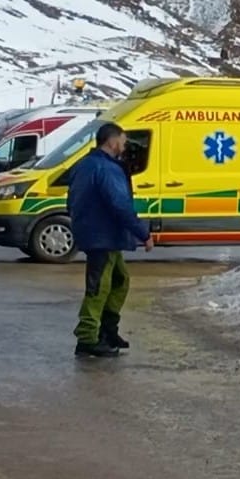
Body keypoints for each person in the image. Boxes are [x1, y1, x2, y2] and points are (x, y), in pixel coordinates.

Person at [68, 122, 152, 358]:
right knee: (99, 287)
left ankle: (107, 330)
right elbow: (120, 205)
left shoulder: (84, 165)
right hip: (102, 236)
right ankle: (88, 338)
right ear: (112, 141)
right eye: (123, 142)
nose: (125, 147)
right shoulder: (106, 169)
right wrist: (143, 233)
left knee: (119, 280)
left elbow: (71, 200)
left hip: (99, 235)